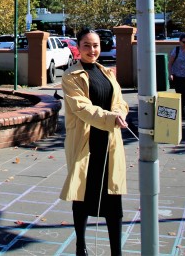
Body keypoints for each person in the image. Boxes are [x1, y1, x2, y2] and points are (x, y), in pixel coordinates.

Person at [60, 29, 129, 256]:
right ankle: (81, 245)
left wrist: (119, 113)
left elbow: (120, 102)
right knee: (82, 197)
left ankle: (116, 252)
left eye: (96, 45)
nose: (92, 50)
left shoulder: (107, 73)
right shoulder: (71, 76)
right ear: (78, 47)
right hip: (86, 143)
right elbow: (82, 108)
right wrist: (111, 118)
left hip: (109, 144)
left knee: (113, 201)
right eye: (87, 45)